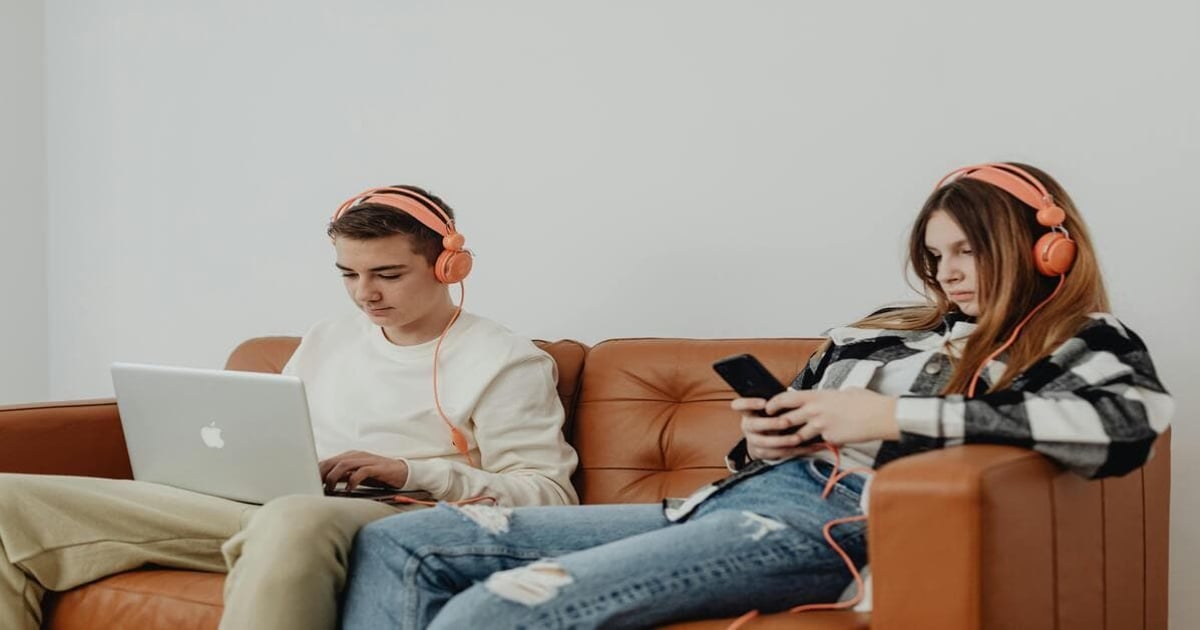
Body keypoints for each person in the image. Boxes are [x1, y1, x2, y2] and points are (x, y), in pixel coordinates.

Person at [340, 164, 1174, 630]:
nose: (950, 273)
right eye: (936, 256)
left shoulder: (1077, 338)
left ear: (1048, 249)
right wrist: (771, 436)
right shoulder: (874, 333)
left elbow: (1130, 425)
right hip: (720, 502)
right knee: (406, 544)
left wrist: (887, 417)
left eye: (969, 251)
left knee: (493, 613)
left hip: (826, 521)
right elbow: (758, 449)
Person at [0, 185, 579, 630]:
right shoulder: (328, 337)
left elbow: (550, 495)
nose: (365, 293)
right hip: (284, 505)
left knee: (293, 517)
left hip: (399, 516)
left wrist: (410, 471)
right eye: (348, 274)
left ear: (447, 266)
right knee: (9, 499)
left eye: (388, 274)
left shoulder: (504, 360)